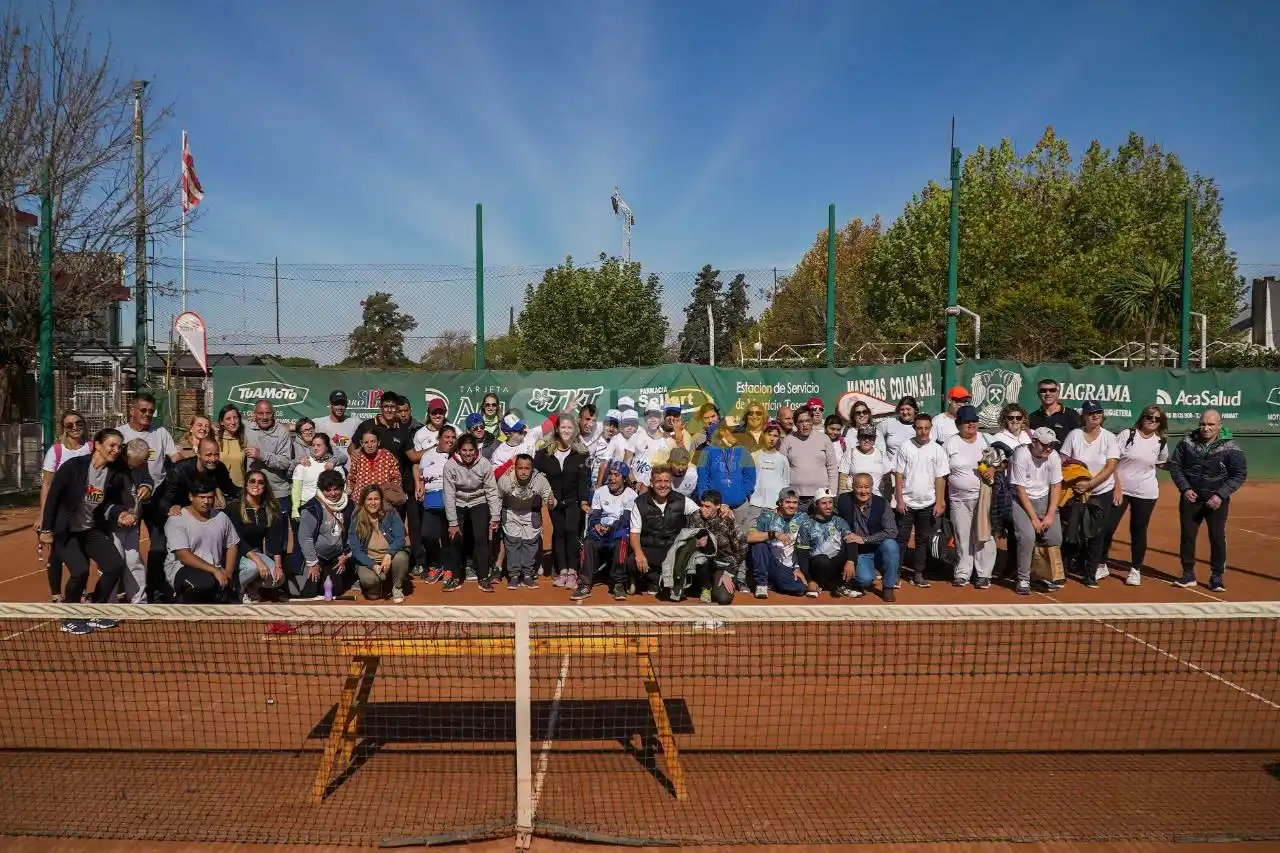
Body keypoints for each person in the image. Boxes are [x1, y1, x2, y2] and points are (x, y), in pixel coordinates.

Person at [37, 428, 136, 633]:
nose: (116, 450)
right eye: (112, 445)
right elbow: (53, 497)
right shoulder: (73, 466)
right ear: (97, 445)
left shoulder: (115, 474)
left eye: (119, 447)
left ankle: (95, 609)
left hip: (91, 529)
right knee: (80, 571)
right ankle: (70, 616)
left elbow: (112, 504)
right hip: (66, 531)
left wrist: (120, 514)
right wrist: (46, 529)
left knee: (115, 565)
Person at [1167, 408, 1247, 592]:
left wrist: (1220, 495)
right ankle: (1188, 574)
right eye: (1203, 424)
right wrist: (1185, 488)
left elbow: (1239, 474)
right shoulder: (1187, 442)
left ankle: (1216, 577)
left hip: (1216, 501)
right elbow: (1176, 466)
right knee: (1187, 536)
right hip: (1191, 498)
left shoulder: (1231, 447)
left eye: (1211, 424)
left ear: (1220, 425)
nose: (1206, 428)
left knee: (1217, 537)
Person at [117, 392, 183, 601]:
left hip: (157, 497)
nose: (147, 414)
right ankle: (124, 587)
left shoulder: (160, 432)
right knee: (128, 547)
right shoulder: (120, 434)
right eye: (143, 410)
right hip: (128, 499)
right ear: (133, 410)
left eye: (151, 411)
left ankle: (154, 588)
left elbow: (176, 459)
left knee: (159, 546)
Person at [1103, 405, 1170, 586]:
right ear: (1142, 417)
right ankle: (1101, 563)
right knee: (1108, 527)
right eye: (1149, 417)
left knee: (1139, 529)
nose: (1152, 421)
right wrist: (1117, 486)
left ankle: (1135, 570)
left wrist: (1182, 466)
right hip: (1120, 489)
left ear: (1161, 422)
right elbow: (1112, 461)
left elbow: (1161, 463)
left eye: (1156, 419)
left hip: (1146, 492)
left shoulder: (1161, 442)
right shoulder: (1127, 434)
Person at [1059, 401, 1121, 587]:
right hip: (1076, 492)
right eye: (1091, 412)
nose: (1095, 415)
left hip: (1101, 492)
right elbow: (1063, 460)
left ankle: (1090, 573)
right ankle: (1064, 569)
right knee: (1071, 531)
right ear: (1084, 416)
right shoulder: (1074, 435)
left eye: (1098, 412)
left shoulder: (1109, 437)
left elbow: (1110, 466)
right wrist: (1074, 481)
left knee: (1096, 533)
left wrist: (1090, 484)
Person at [620, 466, 699, 599]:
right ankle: (647, 579)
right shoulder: (640, 503)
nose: (663, 485)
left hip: (673, 550)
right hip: (650, 548)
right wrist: (639, 554)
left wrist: (721, 510)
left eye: (666, 481)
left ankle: (664, 581)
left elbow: (700, 513)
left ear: (671, 482)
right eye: (658, 481)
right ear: (652, 483)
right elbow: (634, 533)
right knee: (632, 562)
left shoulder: (681, 500)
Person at [36, 409, 91, 602]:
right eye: (70, 425)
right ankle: (56, 595)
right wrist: (43, 516)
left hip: (84, 510)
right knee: (57, 553)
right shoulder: (57, 451)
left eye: (78, 423)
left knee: (83, 550)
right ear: (64, 428)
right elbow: (47, 484)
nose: (75, 427)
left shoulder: (91, 447)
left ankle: (81, 591)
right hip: (60, 510)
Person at [892, 412, 948, 588]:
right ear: (914, 428)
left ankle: (918, 574)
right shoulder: (905, 446)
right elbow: (898, 474)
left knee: (922, 540)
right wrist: (899, 499)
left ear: (931, 428)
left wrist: (939, 501)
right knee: (901, 539)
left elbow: (940, 478)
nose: (923, 432)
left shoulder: (937, 450)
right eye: (919, 428)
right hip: (906, 504)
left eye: (926, 428)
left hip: (928, 504)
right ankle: (895, 574)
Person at [164, 473, 240, 604]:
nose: (206, 502)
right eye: (202, 497)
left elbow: (232, 544)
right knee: (205, 584)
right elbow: (184, 556)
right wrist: (215, 570)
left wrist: (228, 573)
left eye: (210, 497)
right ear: (191, 497)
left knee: (234, 605)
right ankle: (180, 599)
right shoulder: (177, 520)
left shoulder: (221, 517)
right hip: (184, 569)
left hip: (214, 571)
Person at [534, 414, 590, 588]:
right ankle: (562, 571)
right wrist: (546, 494)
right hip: (554, 501)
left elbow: (584, 480)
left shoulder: (582, 453)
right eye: (563, 427)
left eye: (569, 427)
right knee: (558, 533)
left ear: (574, 430)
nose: (566, 431)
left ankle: (573, 571)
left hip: (573, 501)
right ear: (557, 429)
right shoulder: (544, 453)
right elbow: (535, 473)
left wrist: (584, 501)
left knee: (571, 531)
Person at [944, 405, 995, 588]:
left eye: (974, 421)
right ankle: (963, 573)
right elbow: (942, 473)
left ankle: (983, 574)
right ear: (958, 424)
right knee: (962, 536)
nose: (971, 424)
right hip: (958, 499)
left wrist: (992, 469)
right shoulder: (950, 443)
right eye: (967, 422)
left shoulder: (987, 440)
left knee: (983, 535)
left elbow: (1001, 461)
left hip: (983, 498)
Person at [1009, 428, 1065, 595]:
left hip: (1045, 499)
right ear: (1034, 442)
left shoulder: (1054, 456)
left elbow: (1056, 485)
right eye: (1045, 444)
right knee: (1027, 538)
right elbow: (1020, 489)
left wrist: (1049, 515)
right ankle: (1023, 578)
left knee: (1055, 538)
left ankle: (1043, 575)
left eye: (1052, 445)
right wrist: (1034, 518)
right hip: (1022, 500)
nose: (1049, 448)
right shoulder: (1021, 455)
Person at [443, 434, 501, 593]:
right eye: (464, 450)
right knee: (456, 538)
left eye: (471, 450)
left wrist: (495, 516)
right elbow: (449, 495)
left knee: (481, 539)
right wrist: (452, 522)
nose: (468, 454)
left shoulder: (484, 464)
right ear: (458, 450)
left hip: (478, 501)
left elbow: (491, 490)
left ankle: (483, 578)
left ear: (476, 450)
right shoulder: (450, 465)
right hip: (458, 502)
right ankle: (455, 577)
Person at [575, 460, 636, 601]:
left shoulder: (631, 495)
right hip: (601, 530)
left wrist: (610, 528)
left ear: (624, 478)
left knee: (622, 541)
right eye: (611, 474)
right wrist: (596, 524)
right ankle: (585, 583)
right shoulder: (600, 492)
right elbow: (595, 514)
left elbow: (625, 519)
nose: (612, 478)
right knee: (588, 541)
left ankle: (618, 583)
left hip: (618, 530)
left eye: (617, 475)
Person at [836, 473, 900, 601]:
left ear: (872, 487)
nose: (863, 491)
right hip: (858, 552)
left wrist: (864, 539)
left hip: (878, 548)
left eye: (866, 487)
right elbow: (825, 508)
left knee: (891, 545)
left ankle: (888, 587)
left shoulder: (882, 503)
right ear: (852, 487)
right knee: (864, 580)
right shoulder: (842, 500)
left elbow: (892, 531)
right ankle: (851, 577)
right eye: (859, 487)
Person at [226, 471, 287, 603]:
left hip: (256, 552)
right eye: (252, 481)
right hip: (236, 552)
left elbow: (275, 539)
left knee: (278, 578)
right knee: (252, 568)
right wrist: (258, 562)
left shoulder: (270, 509)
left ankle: (251, 587)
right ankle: (237, 590)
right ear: (246, 485)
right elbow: (237, 539)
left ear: (265, 486)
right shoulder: (234, 507)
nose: (256, 485)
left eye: (260, 482)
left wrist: (278, 566)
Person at [244, 400, 295, 556]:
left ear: (273, 415)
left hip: (277, 491)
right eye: (260, 413)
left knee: (278, 538)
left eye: (268, 413)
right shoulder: (247, 428)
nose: (264, 417)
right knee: (253, 535)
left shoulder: (282, 433)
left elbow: (285, 462)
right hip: (254, 491)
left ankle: (279, 568)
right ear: (254, 415)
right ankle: (258, 567)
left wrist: (261, 455)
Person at [295, 470, 356, 599]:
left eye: (336, 489)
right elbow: (305, 537)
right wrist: (313, 563)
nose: (333, 493)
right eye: (328, 490)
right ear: (322, 490)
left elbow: (354, 533)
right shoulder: (312, 508)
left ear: (342, 488)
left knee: (334, 590)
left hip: (337, 557)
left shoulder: (350, 506)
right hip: (315, 556)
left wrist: (346, 555)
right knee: (309, 593)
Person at [498, 453, 555, 589]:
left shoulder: (540, 480)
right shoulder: (505, 479)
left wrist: (551, 502)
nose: (523, 472)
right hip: (511, 512)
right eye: (520, 468)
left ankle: (528, 575)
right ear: (515, 468)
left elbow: (550, 500)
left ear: (532, 469)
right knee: (513, 543)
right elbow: (497, 498)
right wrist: (495, 517)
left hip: (531, 511)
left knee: (530, 543)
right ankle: (514, 575)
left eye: (527, 468)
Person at [348, 484, 411, 602]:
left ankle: (397, 587)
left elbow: (400, 538)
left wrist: (389, 554)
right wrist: (373, 565)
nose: (373, 503)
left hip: (389, 555)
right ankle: (376, 584)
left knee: (401, 557)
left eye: (376, 499)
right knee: (372, 592)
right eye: (369, 499)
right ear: (363, 501)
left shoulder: (390, 513)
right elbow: (356, 550)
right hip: (368, 558)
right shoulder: (357, 517)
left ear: (381, 500)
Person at [745, 488, 809, 597]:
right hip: (769, 562)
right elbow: (749, 537)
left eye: (795, 502)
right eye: (787, 502)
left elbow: (806, 544)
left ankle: (775, 582)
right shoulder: (767, 517)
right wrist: (774, 534)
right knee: (760, 545)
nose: (791, 506)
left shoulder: (802, 518)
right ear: (780, 502)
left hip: (788, 567)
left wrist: (798, 568)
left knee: (800, 588)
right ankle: (761, 584)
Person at [686, 489, 747, 604]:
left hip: (723, 564)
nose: (703, 509)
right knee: (698, 557)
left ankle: (717, 582)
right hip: (702, 563)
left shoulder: (727, 520)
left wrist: (730, 572)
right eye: (701, 505)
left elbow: (742, 545)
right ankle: (705, 587)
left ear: (718, 506)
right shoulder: (695, 517)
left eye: (707, 506)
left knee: (724, 599)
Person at [113, 439, 154, 605]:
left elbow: (147, 478)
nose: (139, 466)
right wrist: (119, 514)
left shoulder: (141, 463)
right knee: (113, 563)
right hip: (113, 525)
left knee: (134, 560)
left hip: (133, 522)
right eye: (135, 463)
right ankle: (108, 605)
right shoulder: (112, 466)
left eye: (142, 462)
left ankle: (139, 602)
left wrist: (146, 486)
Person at [415, 425, 457, 584]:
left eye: (453, 437)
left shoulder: (457, 455)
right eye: (447, 437)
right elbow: (420, 473)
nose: (450, 440)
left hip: (450, 498)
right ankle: (438, 564)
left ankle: (448, 568)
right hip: (431, 498)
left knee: (447, 536)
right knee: (428, 534)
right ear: (439, 439)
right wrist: (420, 486)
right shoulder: (428, 455)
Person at [159, 437, 241, 516]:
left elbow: (230, 489)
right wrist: (169, 508)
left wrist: (246, 491)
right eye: (208, 455)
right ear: (198, 454)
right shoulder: (178, 470)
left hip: (204, 513)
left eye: (216, 454)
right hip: (180, 514)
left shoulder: (219, 468)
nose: (213, 459)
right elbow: (164, 499)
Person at [795, 488, 852, 598]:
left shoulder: (839, 521)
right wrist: (809, 579)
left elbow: (851, 540)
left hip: (835, 564)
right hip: (817, 565)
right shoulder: (807, 524)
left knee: (851, 546)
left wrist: (851, 561)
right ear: (816, 505)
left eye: (830, 502)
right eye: (824, 503)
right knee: (822, 559)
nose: (828, 506)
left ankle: (840, 584)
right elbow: (802, 554)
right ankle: (817, 583)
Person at [780, 406, 838, 509]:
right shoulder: (787, 441)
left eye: (807, 421)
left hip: (821, 497)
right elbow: (780, 470)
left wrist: (832, 493)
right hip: (795, 498)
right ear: (795, 423)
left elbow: (832, 468)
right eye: (801, 421)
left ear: (812, 421)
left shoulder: (824, 439)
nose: (805, 425)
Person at [746, 421, 789, 534]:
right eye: (769, 434)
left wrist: (780, 505)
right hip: (755, 504)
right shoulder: (753, 456)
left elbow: (786, 484)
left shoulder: (783, 459)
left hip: (774, 506)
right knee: (752, 535)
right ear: (763, 435)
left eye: (775, 435)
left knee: (773, 536)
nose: (772, 438)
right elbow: (747, 480)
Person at [346, 429, 404, 502]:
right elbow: (351, 479)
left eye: (373, 441)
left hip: (382, 501)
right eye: (366, 442)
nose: (370, 445)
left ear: (378, 442)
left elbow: (396, 478)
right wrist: (346, 494)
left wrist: (390, 495)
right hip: (360, 501)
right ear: (361, 443)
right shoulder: (358, 457)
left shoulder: (387, 456)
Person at [630, 402, 675, 492]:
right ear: (645, 418)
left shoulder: (670, 441)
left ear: (661, 418)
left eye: (656, 416)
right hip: (635, 489)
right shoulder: (635, 437)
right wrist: (634, 483)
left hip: (659, 490)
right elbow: (626, 464)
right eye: (650, 416)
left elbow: (673, 468)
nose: (653, 419)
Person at [839, 424, 890, 497]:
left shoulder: (881, 454)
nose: (867, 440)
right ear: (858, 438)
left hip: (876, 497)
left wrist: (886, 498)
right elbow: (843, 479)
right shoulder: (850, 453)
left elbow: (887, 479)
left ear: (875, 439)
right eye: (863, 437)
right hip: (853, 497)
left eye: (870, 438)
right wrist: (843, 498)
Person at [1029, 378, 1080, 446]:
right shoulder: (1032, 417)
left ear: (1057, 393)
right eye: (1043, 390)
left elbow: (1078, 441)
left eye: (1052, 390)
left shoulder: (1071, 415)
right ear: (1038, 394)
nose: (1048, 393)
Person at [315, 390, 359, 456]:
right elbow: (302, 429)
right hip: (330, 462)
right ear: (330, 405)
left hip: (350, 462)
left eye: (342, 404)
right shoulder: (319, 423)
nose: (340, 407)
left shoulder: (355, 422)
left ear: (346, 405)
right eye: (336, 404)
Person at [876, 396, 918, 460]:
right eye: (902, 409)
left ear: (915, 410)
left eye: (908, 409)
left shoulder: (920, 425)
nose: (905, 412)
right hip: (891, 465)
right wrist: (883, 457)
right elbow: (876, 434)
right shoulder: (889, 423)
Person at [216, 404, 247, 487]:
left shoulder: (244, 440)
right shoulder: (215, 440)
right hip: (219, 489)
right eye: (228, 419)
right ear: (221, 422)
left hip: (239, 488)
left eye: (235, 418)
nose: (233, 422)